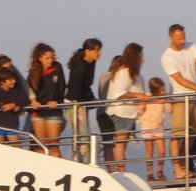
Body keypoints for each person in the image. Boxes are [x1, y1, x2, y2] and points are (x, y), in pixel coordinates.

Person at [158, 24, 196, 179]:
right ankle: (177, 167)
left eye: (183, 38)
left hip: (193, 97)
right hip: (180, 98)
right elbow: (179, 79)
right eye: (179, 38)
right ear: (171, 37)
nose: (182, 41)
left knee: (194, 132)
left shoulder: (192, 46)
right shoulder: (166, 57)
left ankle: (182, 164)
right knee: (178, 134)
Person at [103, 43, 148, 174]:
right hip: (121, 112)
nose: (142, 59)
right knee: (120, 144)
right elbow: (119, 93)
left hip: (129, 113)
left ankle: (121, 170)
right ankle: (120, 171)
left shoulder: (134, 73)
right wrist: (138, 95)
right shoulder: (124, 72)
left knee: (122, 144)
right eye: (140, 56)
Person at [65, 38, 103, 162]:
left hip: (81, 103)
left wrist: (91, 98)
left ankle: (83, 160)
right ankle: (81, 161)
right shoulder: (80, 67)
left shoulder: (90, 64)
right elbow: (76, 90)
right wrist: (88, 100)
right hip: (74, 104)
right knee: (82, 134)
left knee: (84, 134)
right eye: (97, 50)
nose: (99, 53)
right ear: (88, 51)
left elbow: (87, 85)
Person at [27, 43, 67, 158]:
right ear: (40, 58)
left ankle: (60, 170)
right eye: (47, 58)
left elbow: (61, 87)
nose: (51, 60)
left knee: (53, 145)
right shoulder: (33, 72)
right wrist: (33, 102)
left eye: (52, 57)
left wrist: (56, 100)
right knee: (41, 145)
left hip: (54, 111)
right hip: (38, 112)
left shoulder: (57, 67)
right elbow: (28, 91)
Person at [0, 68, 28, 146]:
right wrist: (3, 106)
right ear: (2, 82)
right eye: (10, 80)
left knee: (17, 149)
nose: (14, 81)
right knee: (0, 149)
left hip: (12, 124)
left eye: (13, 79)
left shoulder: (17, 89)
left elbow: (23, 100)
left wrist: (14, 104)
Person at [139, 78, 171, 180]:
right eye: (160, 90)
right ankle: (149, 173)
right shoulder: (147, 97)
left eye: (163, 89)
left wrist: (165, 101)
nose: (162, 92)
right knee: (149, 151)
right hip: (147, 126)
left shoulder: (163, 98)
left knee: (162, 151)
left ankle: (160, 171)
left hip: (159, 127)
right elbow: (140, 111)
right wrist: (144, 103)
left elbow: (170, 110)